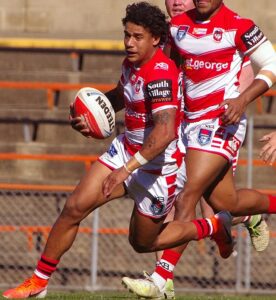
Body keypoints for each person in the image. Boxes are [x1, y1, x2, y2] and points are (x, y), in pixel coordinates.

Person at [2, 2, 235, 299]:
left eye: (137, 37)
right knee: (74, 207)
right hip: (125, 150)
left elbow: (164, 133)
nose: (129, 42)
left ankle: (214, 225)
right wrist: (88, 114)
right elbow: (121, 95)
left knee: (143, 243)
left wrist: (127, 170)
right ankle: (38, 282)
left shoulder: (160, 73)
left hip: (157, 168)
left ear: (155, 39)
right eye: (126, 35)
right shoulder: (131, 64)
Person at [121, 0, 276, 299]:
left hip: (222, 121)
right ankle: (256, 214)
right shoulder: (177, 27)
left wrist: (242, 100)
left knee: (188, 192)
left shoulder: (240, 26)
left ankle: (161, 280)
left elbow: (271, 65)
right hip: (188, 123)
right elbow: (169, 68)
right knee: (225, 201)